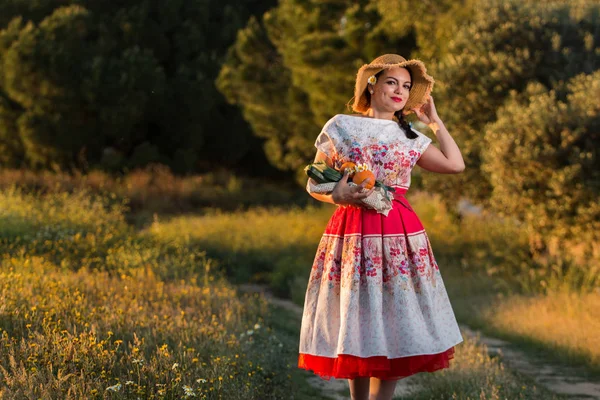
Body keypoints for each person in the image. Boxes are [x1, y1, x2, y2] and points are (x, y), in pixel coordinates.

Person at [297, 54, 466, 400]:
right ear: (372, 84)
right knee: (355, 314)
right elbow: (315, 183)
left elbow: (455, 164)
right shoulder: (340, 126)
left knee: (393, 314)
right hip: (351, 230)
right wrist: (337, 195)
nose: (400, 91)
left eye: (406, 86)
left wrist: (435, 122)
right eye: (392, 82)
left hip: (398, 232)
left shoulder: (410, 136)